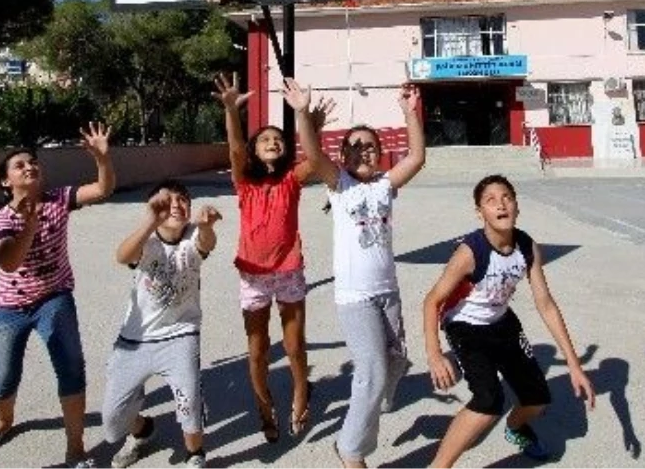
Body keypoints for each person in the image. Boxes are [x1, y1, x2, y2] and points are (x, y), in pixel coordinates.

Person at [422, 174, 596, 468]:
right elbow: (432, 301)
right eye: (490, 200)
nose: (501, 205)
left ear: (517, 206)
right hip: (466, 326)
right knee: (488, 401)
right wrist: (434, 354)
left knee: (538, 399)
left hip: (502, 322)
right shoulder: (470, 252)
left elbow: (545, 303)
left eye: (507, 197)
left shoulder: (527, 247)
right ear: (480, 213)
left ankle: (516, 428)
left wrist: (575, 365)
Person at [298, 81, 426, 469]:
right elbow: (313, 153)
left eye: (369, 145)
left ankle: (372, 405)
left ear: (381, 153)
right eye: (353, 145)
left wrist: (409, 112)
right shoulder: (340, 186)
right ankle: (351, 451)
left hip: (388, 291)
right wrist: (303, 113)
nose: (362, 150)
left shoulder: (386, 186)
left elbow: (418, 157)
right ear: (343, 156)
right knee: (370, 372)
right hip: (356, 297)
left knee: (396, 361)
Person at [0, 123, 115, 469]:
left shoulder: (58, 198)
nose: (29, 167)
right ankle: (3, 421)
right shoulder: (3, 218)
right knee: (3, 378)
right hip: (10, 307)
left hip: (55, 298)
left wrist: (102, 159)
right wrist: (30, 224)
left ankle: (75, 447)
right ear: (6, 182)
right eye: (19, 165)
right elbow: (8, 262)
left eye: (33, 162)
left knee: (71, 368)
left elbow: (103, 188)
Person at [212, 72, 332, 442]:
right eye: (264, 139)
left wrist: (305, 119)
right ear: (254, 149)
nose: (272, 142)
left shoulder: (291, 181)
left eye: (278, 139)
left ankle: (300, 392)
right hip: (252, 276)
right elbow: (234, 149)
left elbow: (313, 158)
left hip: (288, 272)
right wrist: (232, 110)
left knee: (295, 347)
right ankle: (265, 408)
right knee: (257, 350)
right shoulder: (244, 182)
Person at [100, 180, 222, 469]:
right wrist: (148, 222)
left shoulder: (193, 236)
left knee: (189, 400)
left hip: (181, 334)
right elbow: (123, 256)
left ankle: (195, 454)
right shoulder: (147, 241)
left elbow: (206, 244)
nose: (176, 205)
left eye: (183, 200)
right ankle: (143, 431)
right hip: (136, 339)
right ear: (153, 208)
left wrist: (206, 225)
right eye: (167, 201)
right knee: (113, 423)